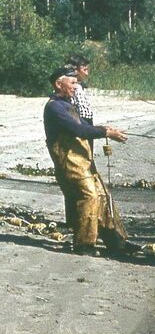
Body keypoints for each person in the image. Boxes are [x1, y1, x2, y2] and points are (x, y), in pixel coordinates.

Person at [43, 66, 130, 256]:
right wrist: (107, 132)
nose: (76, 86)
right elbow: (79, 131)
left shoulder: (67, 104)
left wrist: (103, 128)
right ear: (59, 84)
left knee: (104, 196)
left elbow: (84, 126)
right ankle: (84, 244)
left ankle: (117, 243)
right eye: (73, 82)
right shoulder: (54, 107)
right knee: (89, 197)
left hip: (83, 161)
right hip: (69, 163)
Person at [67, 54, 94, 125]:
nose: (87, 73)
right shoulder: (73, 87)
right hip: (80, 122)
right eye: (84, 70)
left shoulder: (80, 86)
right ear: (76, 70)